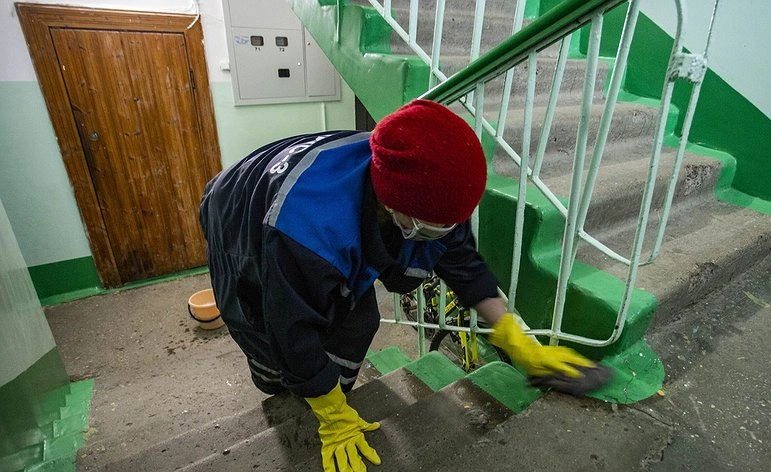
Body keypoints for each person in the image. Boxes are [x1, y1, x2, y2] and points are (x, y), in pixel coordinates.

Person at [199, 100, 600, 472]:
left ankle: (326, 394)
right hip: (237, 215)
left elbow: (462, 260)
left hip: (304, 196)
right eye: (436, 226)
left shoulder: (422, 184)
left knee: (358, 320)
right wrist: (333, 417)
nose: (447, 231)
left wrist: (517, 339)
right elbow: (291, 326)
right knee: (269, 333)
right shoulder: (306, 229)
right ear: (394, 208)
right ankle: (296, 406)